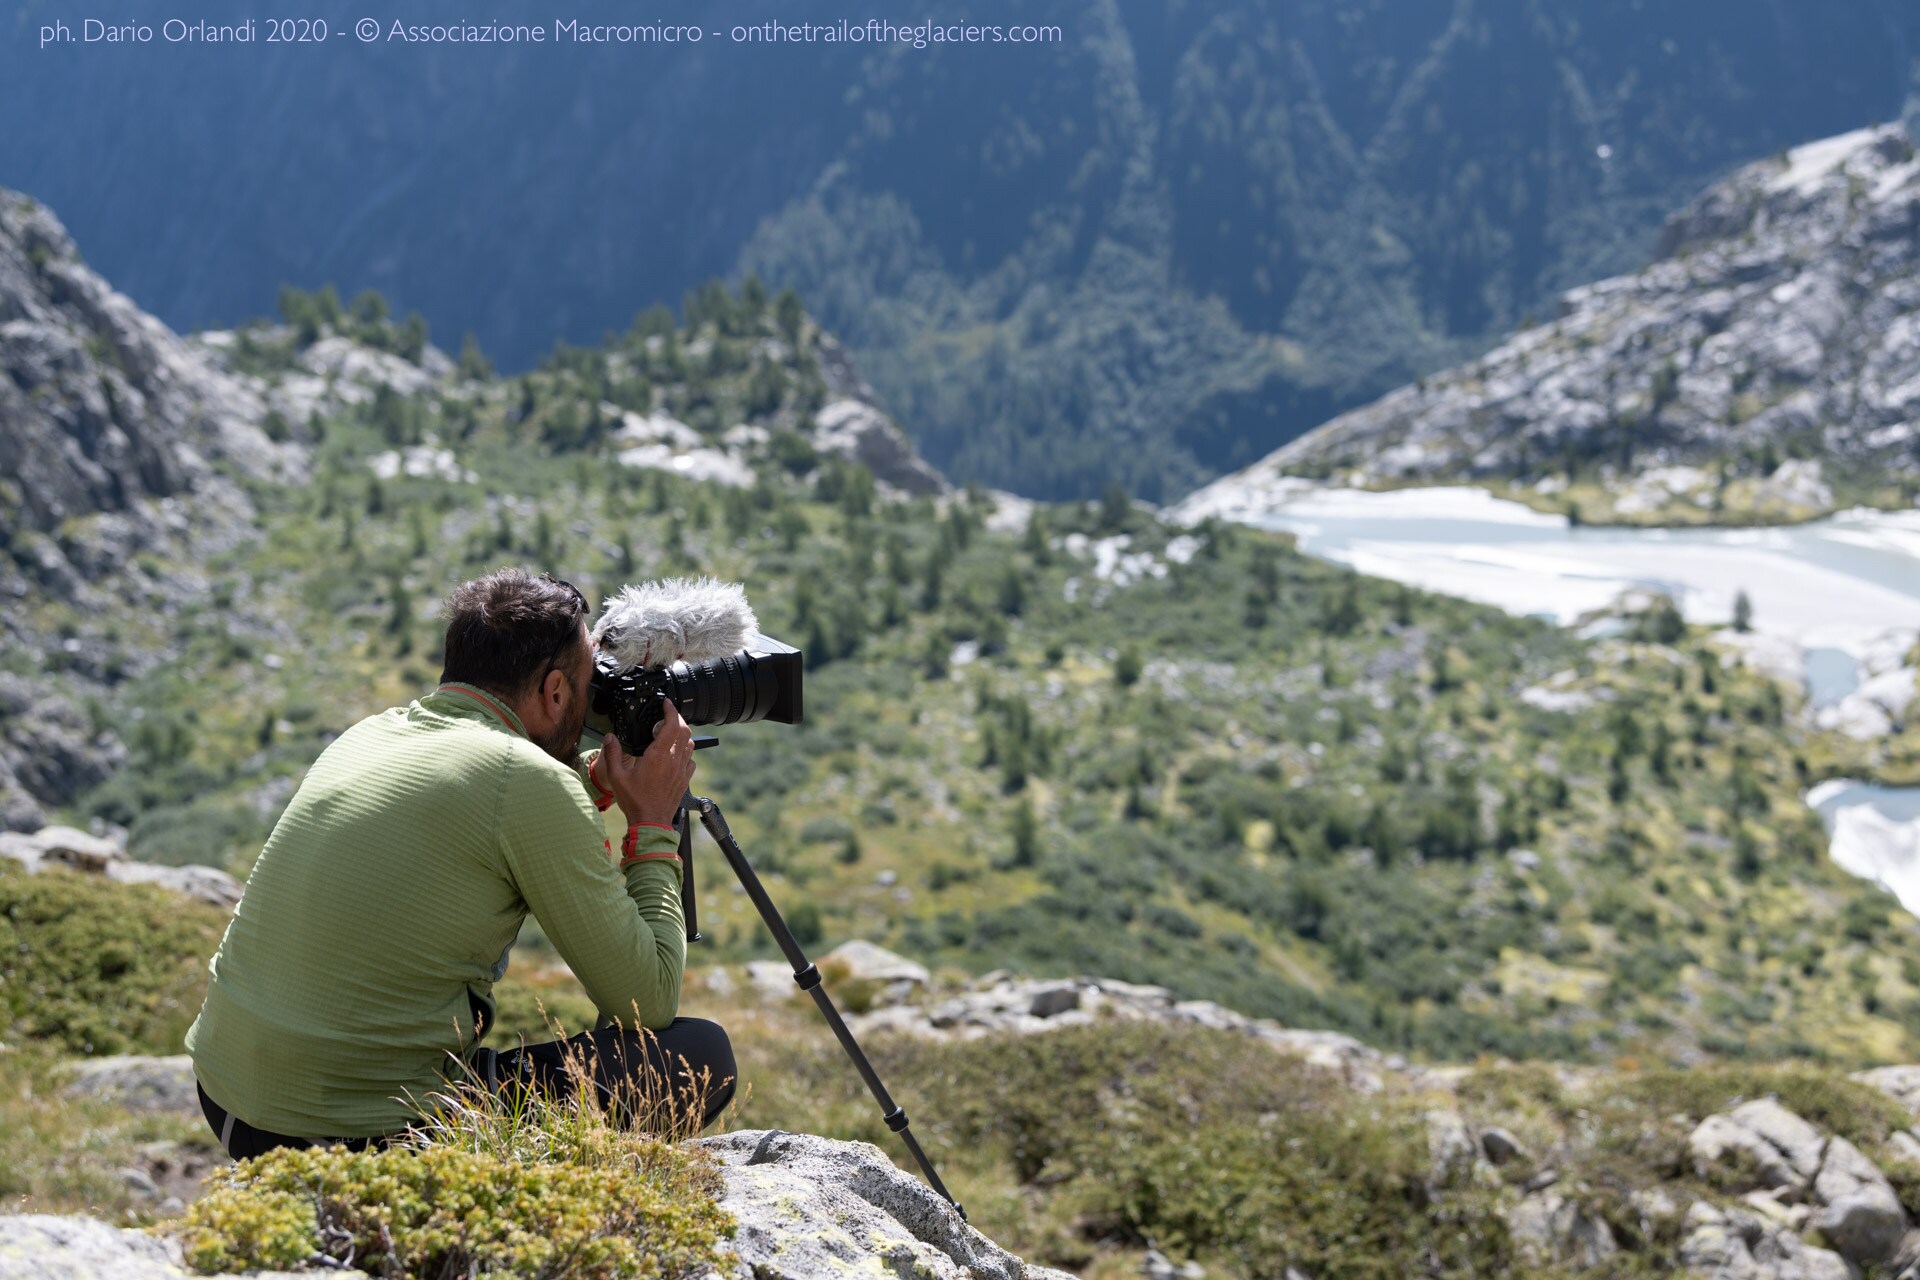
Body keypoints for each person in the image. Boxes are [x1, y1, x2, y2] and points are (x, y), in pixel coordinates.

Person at [185, 567, 734, 1158]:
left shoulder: (372, 733)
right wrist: (652, 824)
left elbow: (485, 802)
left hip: (229, 1100)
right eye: (585, 684)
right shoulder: (527, 784)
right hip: (355, 1131)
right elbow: (646, 1001)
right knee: (699, 1056)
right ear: (553, 693)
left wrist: (593, 780)